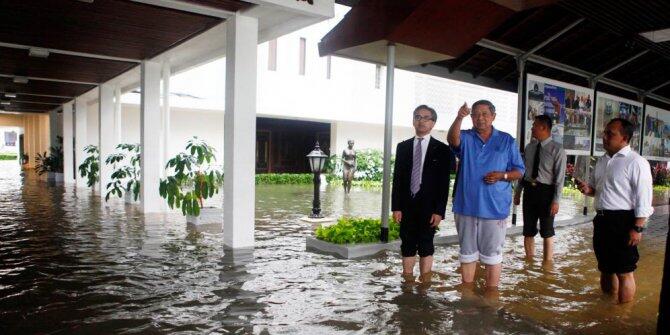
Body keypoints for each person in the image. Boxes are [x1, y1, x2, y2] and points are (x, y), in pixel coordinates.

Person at [447, 100, 525, 289]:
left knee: (492, 255)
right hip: (466, 206)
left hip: (495, 207)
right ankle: (467, 295)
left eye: (484, 114)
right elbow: (452, 140)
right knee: (467, 253)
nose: (480, 118)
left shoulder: (507, 140)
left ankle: (491, 297)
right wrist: (459, 117)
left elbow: (519, 170)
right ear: (471, 117)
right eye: (475, 114)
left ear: (493, 116)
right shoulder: (466, 136)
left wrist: (502, 175)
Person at [576, 118, 653, 304]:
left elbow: (644, 198)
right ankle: (607, 309)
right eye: (605, 132)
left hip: (624, 221)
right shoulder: (603, 161)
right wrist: (589, 190)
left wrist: (638, 228)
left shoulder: (636, 162)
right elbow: (599, 190)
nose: (604, 136)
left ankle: (623, 316)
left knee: (625, 271)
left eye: (610, 133)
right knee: (605, 267)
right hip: (602, 219)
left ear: (624, 138)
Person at [392, 105, 455, 284]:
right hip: (406, 203)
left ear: (433, 123)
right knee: (407, 242)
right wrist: (396, 207)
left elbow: (444, 183)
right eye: (418, 117)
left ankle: (425, 284)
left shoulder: (442, 149)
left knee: (427, 243)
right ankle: (408, 281)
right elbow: (397, 179)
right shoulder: (402, 147)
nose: (421, 120)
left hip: (429, 205)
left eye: (426, 118)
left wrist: (439, 211)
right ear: (413, 120)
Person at [514, 115, 566, 262]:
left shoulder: (557, 150)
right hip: (529, 191)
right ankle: (529, 262)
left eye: (534, 125)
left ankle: (547, 265)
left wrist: (556, 201)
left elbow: (560, 178)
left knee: (547, 231)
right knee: (528, 230)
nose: (532, 128)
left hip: (547, 193)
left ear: (543, 127)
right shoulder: (530, 147)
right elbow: (524, 172)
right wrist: (518, 192)